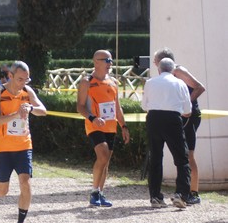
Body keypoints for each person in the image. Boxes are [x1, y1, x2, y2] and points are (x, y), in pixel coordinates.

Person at [0, 60, 47, 223]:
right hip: (2, 149)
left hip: (23, 146)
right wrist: (16, 114)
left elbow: (43, 110)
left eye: (27, 79)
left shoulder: (27, 91)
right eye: (20, 79)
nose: (24, 83)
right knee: (3, 190)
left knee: (26, 183)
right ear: (10, 76)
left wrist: (30, 107)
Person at [77, 49, 130, 207]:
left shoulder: (113, 82)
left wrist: (124, 126)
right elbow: (80, 107)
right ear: (96, 62)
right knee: (103, 155)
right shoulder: (87, 81)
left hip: (110, 126)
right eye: (107, 60)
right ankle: (94, 191)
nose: (110, 64)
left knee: (106, 161)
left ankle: (100, 192)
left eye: (111, 61)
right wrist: (93, 118)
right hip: (94, 125)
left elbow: (117, 107)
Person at [153, 47, 205, 204]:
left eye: (156, 62)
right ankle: (184, 190)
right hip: (178, 116)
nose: (155, 65)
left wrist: (184, 105)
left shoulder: (179, 70)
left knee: (188, 154)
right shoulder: (166, 76)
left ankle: (193, 192)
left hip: (189, 115)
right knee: (181, 153)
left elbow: (199, 87)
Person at [141, 57, 192, 209]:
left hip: (154, 118)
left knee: (155, 157)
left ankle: (155, 196)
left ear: (159, 69)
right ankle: (181, 195)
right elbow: (188, 110)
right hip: (172, 119)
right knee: (181, 158)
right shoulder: (180, 83)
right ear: (173, 70)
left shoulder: (150, 82)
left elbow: (144, 105)